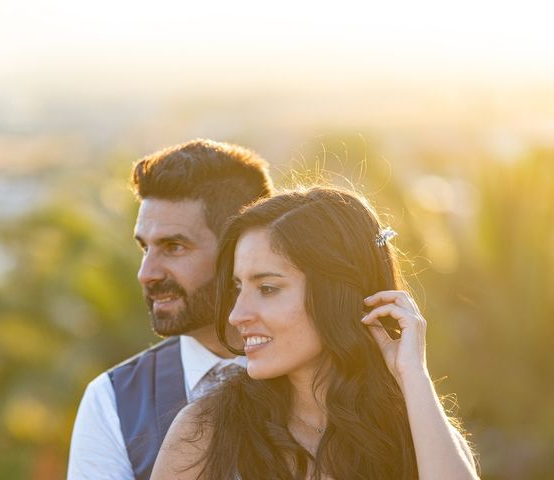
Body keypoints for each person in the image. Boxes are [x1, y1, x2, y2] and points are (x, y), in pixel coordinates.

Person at [151, 187, 479, 479]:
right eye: (238, 287)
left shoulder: (416, 427)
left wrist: (413, 376)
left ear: (336, 294)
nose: (237, 316)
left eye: (266, 288)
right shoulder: (205, 432)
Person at [67, 139, 274, 480]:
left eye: (174, 247)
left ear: (241, 250)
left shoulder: (322, 376)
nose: (146, 273)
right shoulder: (112, 403)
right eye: (145, 247)